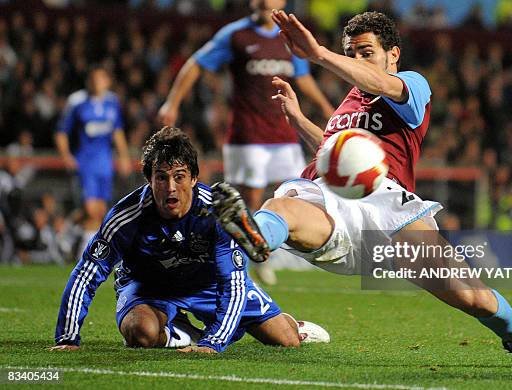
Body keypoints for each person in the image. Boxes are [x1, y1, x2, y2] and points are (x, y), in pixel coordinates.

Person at [210, 10, 512, 368]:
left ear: (393, 54)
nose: (358, 60)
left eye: (366, 52)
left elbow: (383, 85)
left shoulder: (413, 85)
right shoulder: (348, 103)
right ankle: (253, 237)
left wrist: (320, 55)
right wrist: (297, 119)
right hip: (329, 200)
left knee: (474, 297)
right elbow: (332, 154)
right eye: (352, 53)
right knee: (283, 204)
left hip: (390, 210)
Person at [50, 127, 329, 353]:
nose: (171, 187)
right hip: (150, 287)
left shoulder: (218, 213)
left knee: (286, 339)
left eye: (179, 177)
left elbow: (232, 283)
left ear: (194, 178)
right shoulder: (126, 216)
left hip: (209, 282)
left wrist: (213, 343)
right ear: (148, 179)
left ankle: (294, 325)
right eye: (161, 178)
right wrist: (68, 337)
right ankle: (180, 332)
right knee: (141, 333)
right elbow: (88, 272)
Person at [158, 0, 335, 285]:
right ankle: (248, 259)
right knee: (249, 199)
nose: (265, 1)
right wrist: (172, 101)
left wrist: (327, 110)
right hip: (247, 136)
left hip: (285, 133)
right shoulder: (235, 35)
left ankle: (276, 248)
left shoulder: (287, 37)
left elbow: (302, 79)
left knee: (296, 193)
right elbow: (196, 64)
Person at [55, 65, 132, 257]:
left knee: (99, 211)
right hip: (85, 163)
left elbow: (117, 132)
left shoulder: (112, 102)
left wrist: (123, 157)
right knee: (90, 210)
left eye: (100, 79)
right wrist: (66, 156)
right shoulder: (77, 102)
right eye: (93, 79)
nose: (96, 83)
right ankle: (86, 254)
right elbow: (61, 132)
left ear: (107, 81)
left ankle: (68, 231)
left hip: (104, 164)